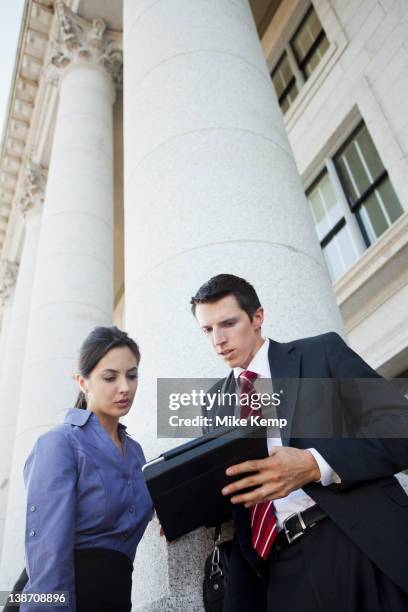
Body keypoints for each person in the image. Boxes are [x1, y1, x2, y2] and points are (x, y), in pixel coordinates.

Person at [191, 274, 408, 612]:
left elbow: (400, 426)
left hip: (357, 542)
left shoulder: (320, 352)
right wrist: (184, 503)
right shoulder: (214, 403)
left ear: (257, 317)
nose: (218, 340)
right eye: (207, 330)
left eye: (228, 323)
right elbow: (233, 490)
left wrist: (313, 464)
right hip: (280, 570)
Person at [19, 326, 153, 612]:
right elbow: (48, 554)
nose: (125, 388)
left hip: (118, 600)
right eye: (110, 377)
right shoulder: (59, 443)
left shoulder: (136, 454)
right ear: (83, 382)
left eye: (132, 375)